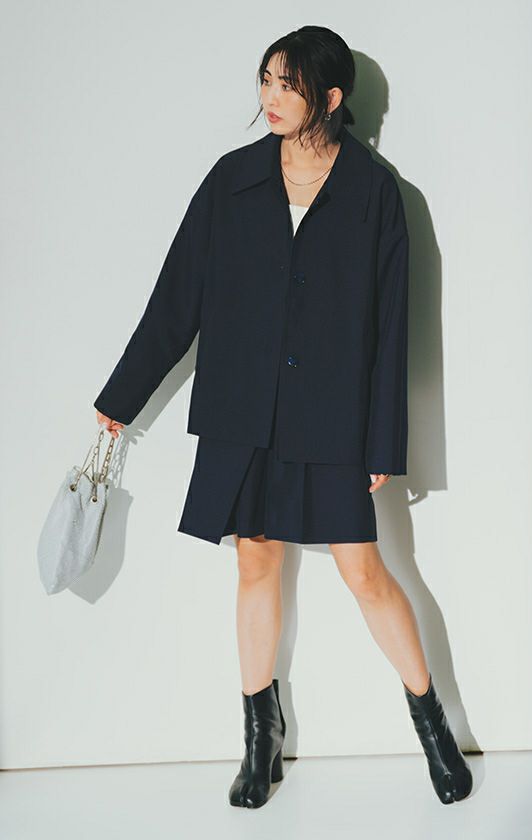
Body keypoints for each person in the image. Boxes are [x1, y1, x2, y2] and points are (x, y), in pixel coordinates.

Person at [95, 25, 472, 808]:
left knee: (364, 572)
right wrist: (119, 400)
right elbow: (176, 298)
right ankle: (259, 740)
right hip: (244, 409)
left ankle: (433, 724)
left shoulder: (374, 193)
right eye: (265, 79)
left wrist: (383, 441)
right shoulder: (231, 181)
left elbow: (391, 328)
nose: (269, 97)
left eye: (287, 84)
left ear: (329, 98)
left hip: (333, 415)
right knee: (255, 564)